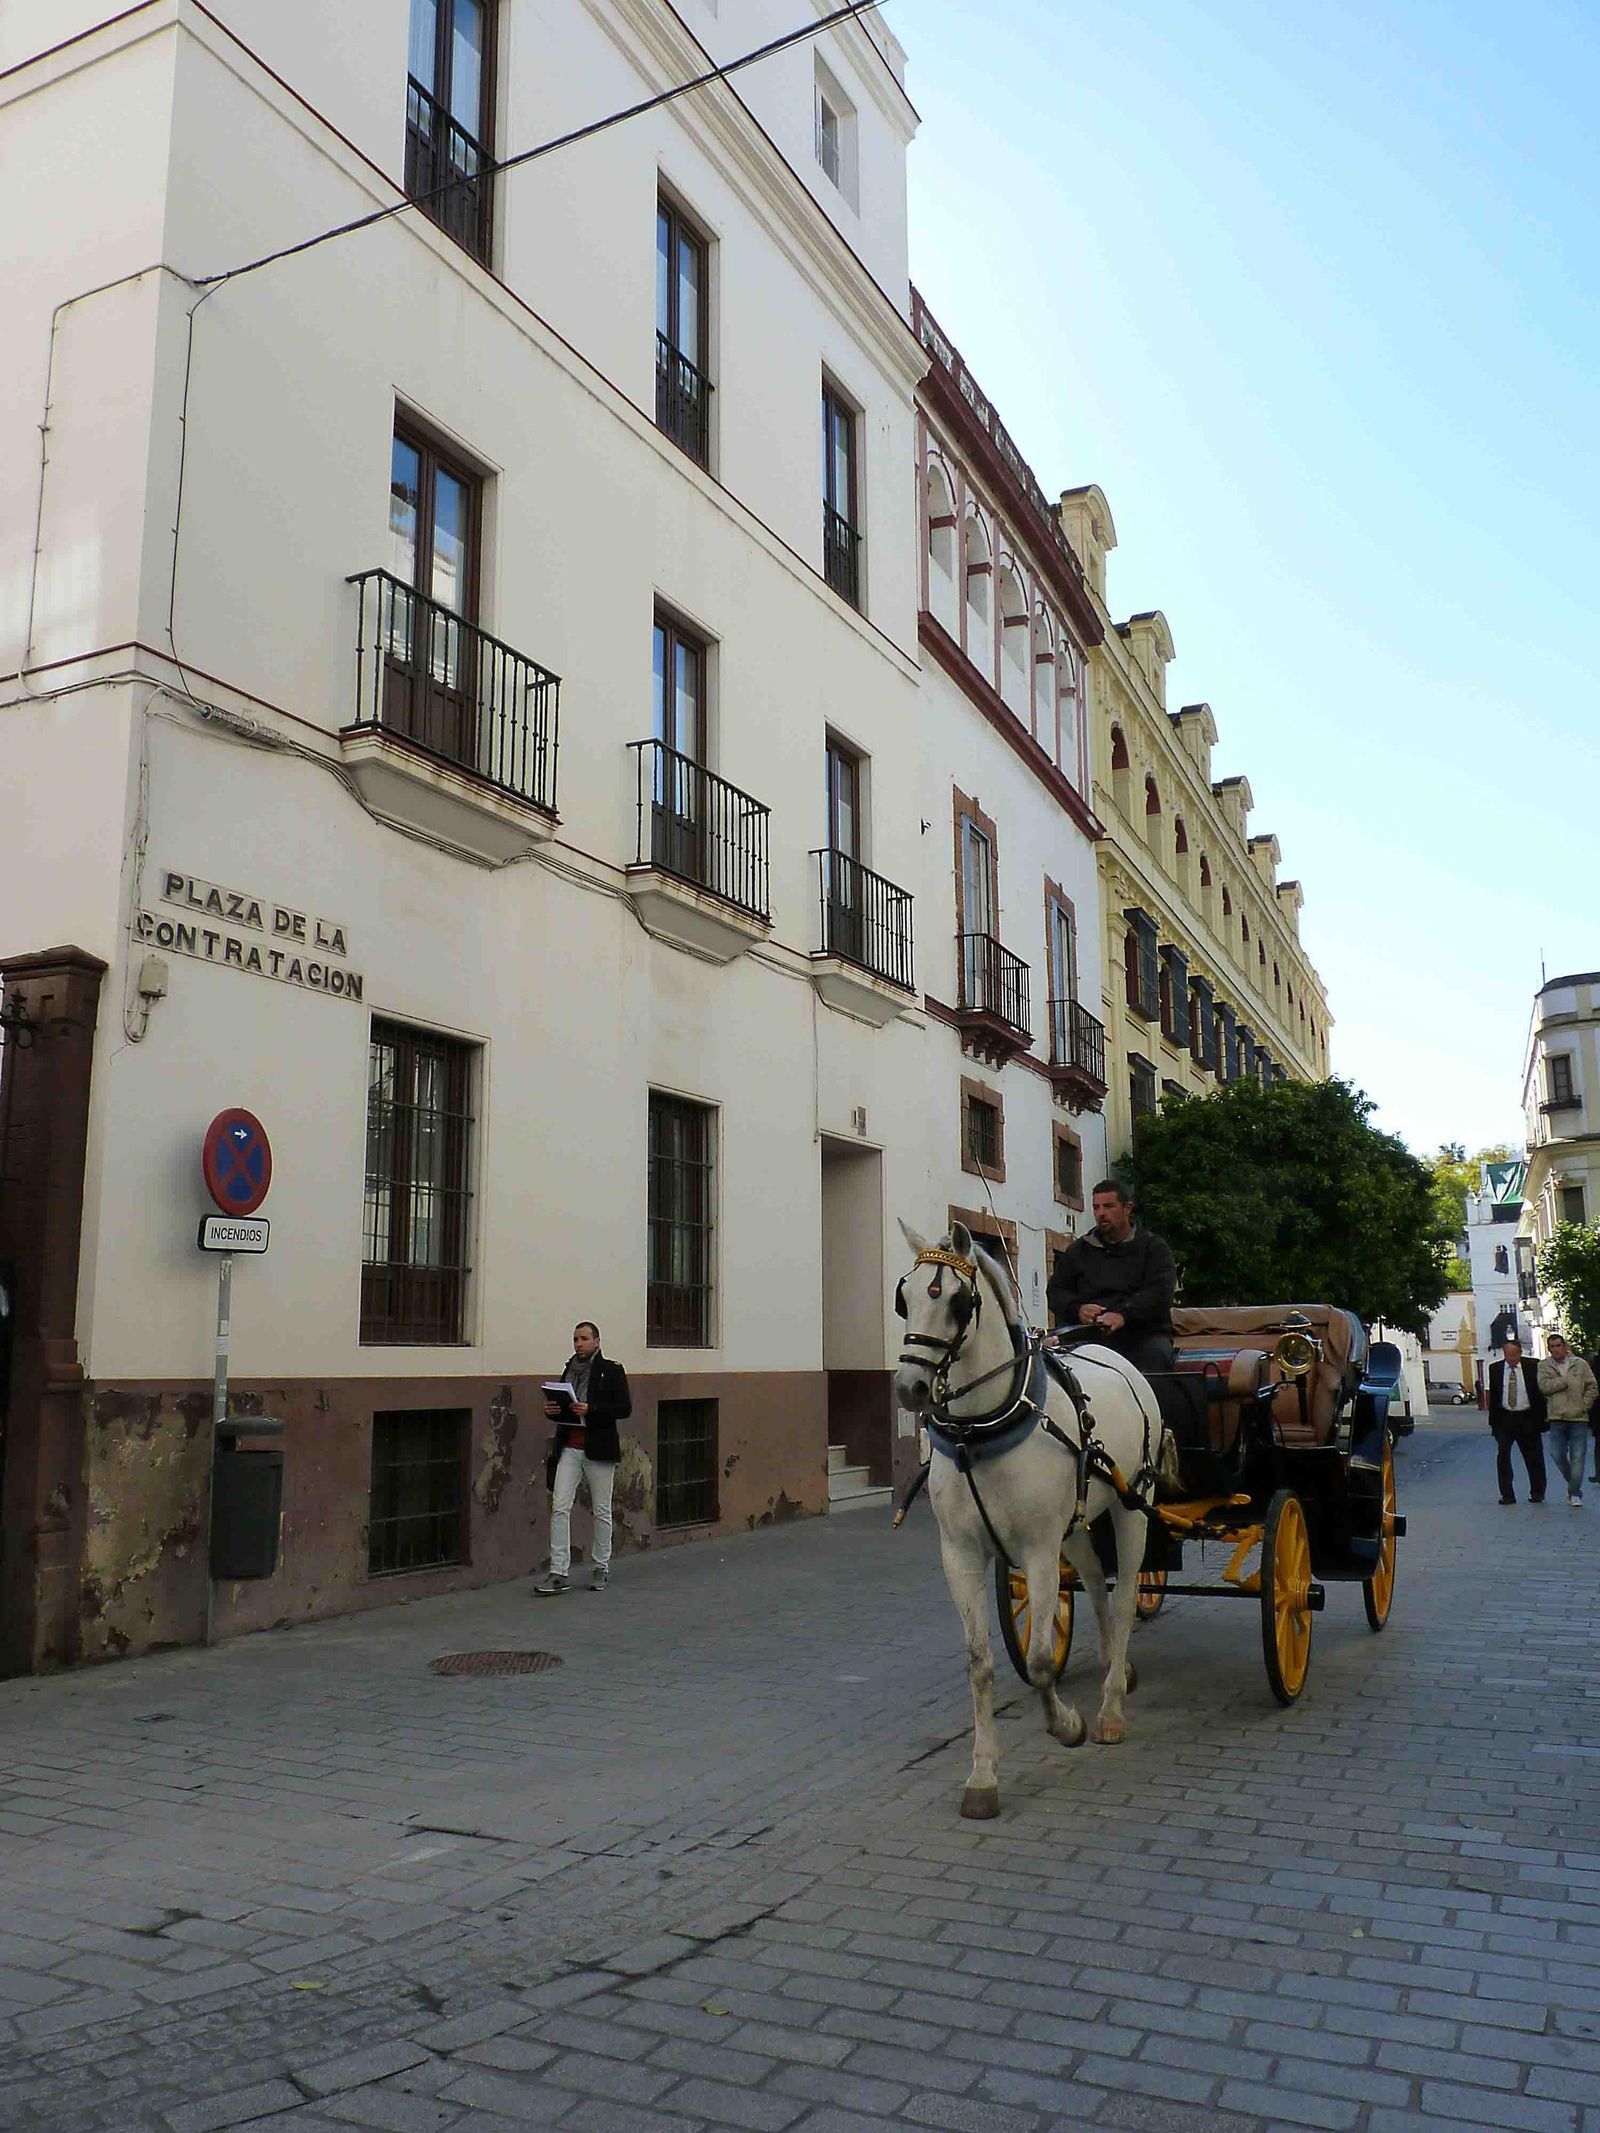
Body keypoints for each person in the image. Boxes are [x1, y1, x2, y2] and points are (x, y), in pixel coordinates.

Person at [533, 1321, 631, 1595]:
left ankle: (601, 1567)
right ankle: (558, 1571)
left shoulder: (611, 1370)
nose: (579, 1343)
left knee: (601, 1510)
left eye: (584, 1338)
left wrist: (592, 1408)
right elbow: (564, 1410)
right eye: (575, 1339)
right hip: (570, 1448)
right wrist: (550, 1409)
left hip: (598, 1449)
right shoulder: (568, 1370)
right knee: (560, 1506)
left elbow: (624, 1408)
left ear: (597, 1342)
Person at [1046, 1180, 1178, 1377]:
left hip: (1143, 1336)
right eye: (1096, 1207)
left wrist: (1123, 1315)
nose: (1101, 1213)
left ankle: (1155, 1408)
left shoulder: (1153, 1248)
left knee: (1155, 1358)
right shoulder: (1078, 1251)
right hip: (1089, 1337)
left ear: (1127, 1209)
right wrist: (1078, 1309)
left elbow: (1160, 1292)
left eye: (1108, 1206)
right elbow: (1056, 1291)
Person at [1537, 1335, 1598, 1507]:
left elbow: (1592, 1386)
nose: (1556, 1349)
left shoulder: (1580, 1364)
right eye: (1552, 1346)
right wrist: (1564, 1381)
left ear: (1564, 1346)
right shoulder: (1544, 1366)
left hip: (1578, 1417)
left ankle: (1574, 1493)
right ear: (1549, 1349)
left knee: (1578, 1457)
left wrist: (1584, 1405)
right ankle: (1573, 1483)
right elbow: (1544, 1387)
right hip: (1557, 1417)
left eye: (1558, 1345)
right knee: (1557, 1454)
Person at [1486, 1337, 1547, 1505]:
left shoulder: (1533, 1366)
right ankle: (1507, 1495)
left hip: (1528, 1416)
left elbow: (1541, 1393)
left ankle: (1537, 1492)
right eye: (1507, 1355)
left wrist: (1542, 1420)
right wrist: (1494, 1423)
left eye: (1513, 1355)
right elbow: (1494, 1396)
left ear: (1520, 1353)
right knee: (1503, 1457)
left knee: (1533, 1457)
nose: (1510, 1359)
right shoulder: (1495, 1368)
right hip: (1505, 1418)